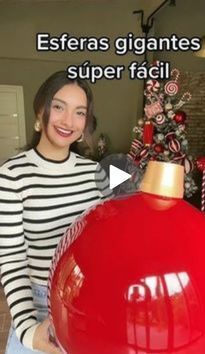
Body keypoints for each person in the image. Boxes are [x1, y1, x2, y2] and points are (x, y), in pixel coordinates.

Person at [0, 71, 112, 354]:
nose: (68, 121)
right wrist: (27, 328)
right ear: (41, 110)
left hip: (88, 299)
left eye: (79, 112)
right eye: (59, 106)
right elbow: (11, 258)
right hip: (39, 302)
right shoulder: (12, 175)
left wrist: (169, 172)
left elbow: (137, 189)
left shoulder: (95, 171)